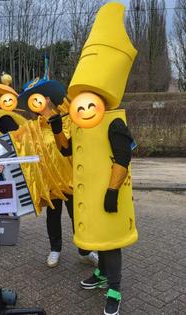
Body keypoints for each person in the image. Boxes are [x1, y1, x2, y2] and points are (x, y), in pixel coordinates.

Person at [65, 3, 139, 314]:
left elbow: (123, 159)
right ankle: (101, 274)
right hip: (89, 193)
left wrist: (111, 191)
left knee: (112, 240)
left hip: (110, 193)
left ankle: (116, 290)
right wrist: (58, 129)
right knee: (97, 236)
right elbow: (67, 151)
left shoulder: (114, 123)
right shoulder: (81, 123)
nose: (83, 109)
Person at [17, 71, 98, 268]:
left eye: (40, 98)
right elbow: (17, 142)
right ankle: (55, 249)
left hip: (71, 178)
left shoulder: (68, 119)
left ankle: (85, 250)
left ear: (47, 98)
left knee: (77, 216)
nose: (38, 103)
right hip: (50, 181)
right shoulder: (31, 128)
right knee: (53, 217)